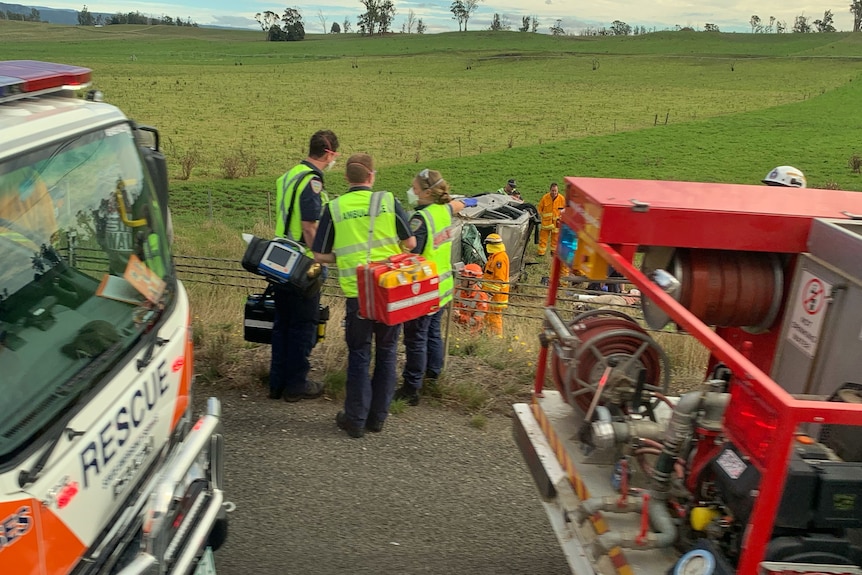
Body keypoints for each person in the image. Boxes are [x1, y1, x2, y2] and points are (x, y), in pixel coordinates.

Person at [312, 153, 416, 438]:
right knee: (387, 351)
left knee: (359, 353)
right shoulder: (388, 200)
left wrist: (344, 256)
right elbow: (410, 242)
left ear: (346, 178)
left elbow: (319, 254)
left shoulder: (334, 208)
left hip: (357, 294)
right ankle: (377, 419)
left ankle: (355, 419)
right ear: (372, 175)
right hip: (388, 291)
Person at [268, 129, 339, 403]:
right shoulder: (312, 182)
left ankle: (277, 382)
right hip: (303, 261)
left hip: (280, 256)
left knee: (282, 322)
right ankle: (296, 383)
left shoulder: (289, 175)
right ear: (330, 153)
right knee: (303, 324)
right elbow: (310, 226)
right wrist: (322, 257)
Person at [394, 169, 474, 406]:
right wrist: (471, 200)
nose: (412, 193)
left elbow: (410, 253)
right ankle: (433, 373)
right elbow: (456, 205)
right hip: (443, 286)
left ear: (428, 192)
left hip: (425, 288)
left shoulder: (420, 219)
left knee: (416, 337)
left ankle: (411, 387)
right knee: (433, 332)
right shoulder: (442, 211)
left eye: (415, 189)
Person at [482, 233, 509, 337]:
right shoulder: (494, 257)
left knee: (494, 318)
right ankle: (489, 336)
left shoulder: (500, 259)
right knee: (489, 316)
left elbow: (499, 280)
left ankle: (497, 338)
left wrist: (489, 294)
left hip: (496, 297)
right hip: (491, 295)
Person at [452, 263, 489, 332]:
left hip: (471, 334)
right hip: (455, 330)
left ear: (472, 281)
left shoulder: (482, 297)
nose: (461, 280)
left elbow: (475, 321)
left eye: (464, 278)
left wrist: (460, 316)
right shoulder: (457, 290)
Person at [536, 182, 566, 257]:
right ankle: (541, 253)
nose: (554, 192)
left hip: (556, 224)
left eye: (555, 191)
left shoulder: (562, 199)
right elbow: (539, 208)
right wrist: (538, 216)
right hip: (546, 223)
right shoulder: (545, 198)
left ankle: (553, 252)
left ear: (557, 190)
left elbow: (565, 210)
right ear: (550, 190)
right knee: (543, 239)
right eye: (552, 190)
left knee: (555, 239)